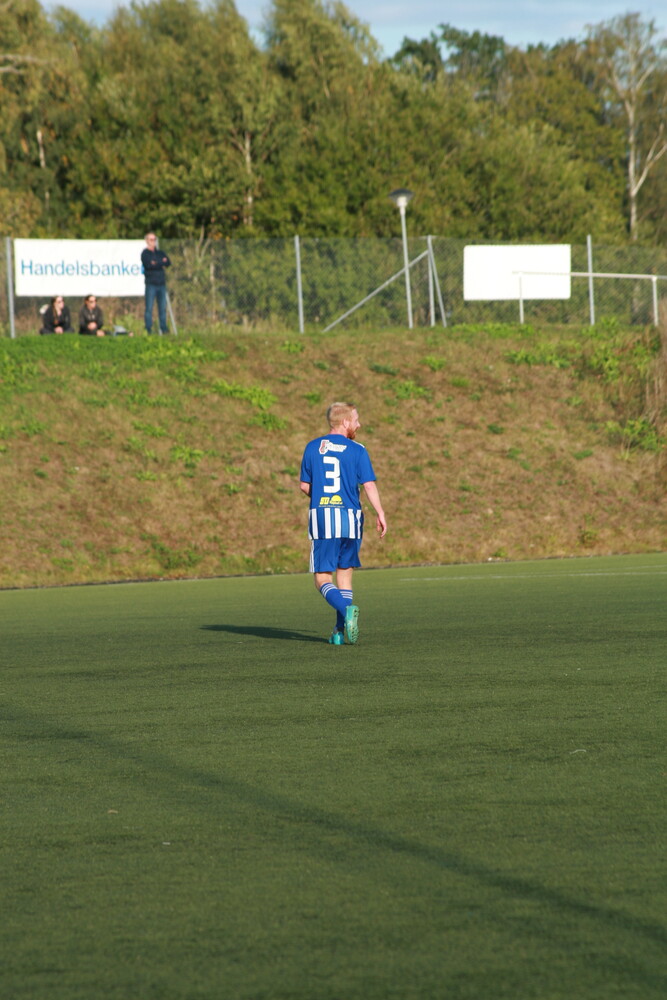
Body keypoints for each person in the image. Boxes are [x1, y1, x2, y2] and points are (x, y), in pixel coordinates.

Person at [299, 401, 387, 646]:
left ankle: (345, 612)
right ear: (345, 421)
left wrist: (321, 496)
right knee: (344, 578)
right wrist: (380, 512)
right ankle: (338, 631)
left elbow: (304, 486)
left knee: (322, 579)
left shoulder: (312, 447)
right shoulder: (357, 449)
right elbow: (369, 485)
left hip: (324, 519)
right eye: (356, 420)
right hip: (352, 519)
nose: (359, 424)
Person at [141, 232, 171, 335]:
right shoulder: (145, 254)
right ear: (147, 241)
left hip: (161, 284)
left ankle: (164, 328)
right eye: (151, 239)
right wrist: (160, 262)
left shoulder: (160, 253)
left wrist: (156, 262)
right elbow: (149, 265)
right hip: (151, 284)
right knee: (149, 308)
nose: (153, 242)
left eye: (154, 239)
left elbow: (168, 262)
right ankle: (148, 329)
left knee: (162, 308)